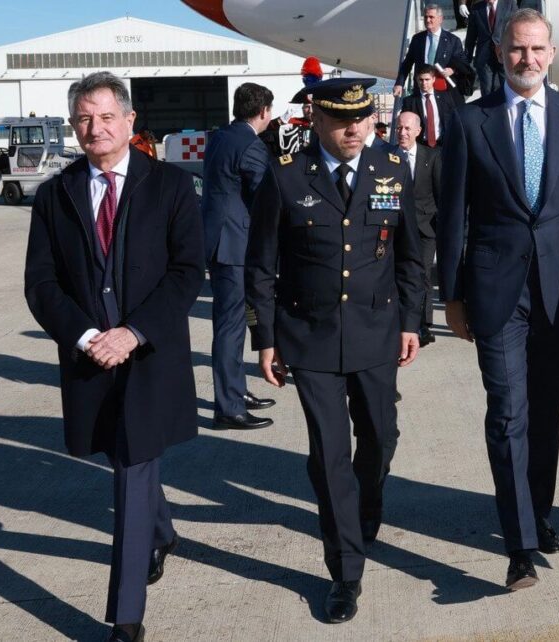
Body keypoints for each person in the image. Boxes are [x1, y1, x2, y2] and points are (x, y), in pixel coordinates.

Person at [24, 71, 204, 642]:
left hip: (149, 357)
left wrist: (133, 333)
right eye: (83, 117)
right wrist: (85, 337)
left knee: (132, 466)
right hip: (89, 360)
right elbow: (42, 284)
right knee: (128, 457)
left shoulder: (171, 186)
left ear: (130, 122)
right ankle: (162, 530)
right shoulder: (56, 194)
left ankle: (126, 617)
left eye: (105, 116)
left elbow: (186, 273)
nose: (94, 127)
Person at [245, 77, 425, 623]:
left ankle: (365, 506)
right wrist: (266, 338)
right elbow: (259, 267)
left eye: (363, 118)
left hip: (377, 333)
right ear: (316, 121)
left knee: (381, 438)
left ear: (373, 119)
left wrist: (412, 322)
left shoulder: (393, 170)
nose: (353, 128)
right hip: (311, 336)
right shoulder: (285, 179)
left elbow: (413, 255)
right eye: (341, 120)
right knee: (329, 453)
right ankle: (345, 571)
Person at [438, 10, 559, 590]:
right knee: (508, 413)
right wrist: (451, 296)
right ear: (499, 54)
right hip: (495, 292)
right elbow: (452, 215)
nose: (527, 59)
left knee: (546, 413)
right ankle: (519, 547)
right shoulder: (469, 121)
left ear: (552, 53)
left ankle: (538, 512)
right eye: (516, 49)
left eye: (537, 49)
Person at [201, 83, 277, 431]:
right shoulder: (252, 145)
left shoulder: (220, 137)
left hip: (218, 240)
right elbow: (265, 197)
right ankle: (228, 407)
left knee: (232, 323)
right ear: (263, 111)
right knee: (232, 326)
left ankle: (236, 390)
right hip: (236, 245)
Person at [395, 111, 441, 346]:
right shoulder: (388, 156)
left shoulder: (431, 157)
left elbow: (441, 194)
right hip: (395, 228)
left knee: (422, 276)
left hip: (425, 228)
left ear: (418, 131)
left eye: (407, 129)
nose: (402, 133)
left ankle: (423, 325)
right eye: (399, 128)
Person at [394, 4, 467, 99]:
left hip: (443, 92)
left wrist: (452, 70)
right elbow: (407, 63)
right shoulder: (417, 39)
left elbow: (463, 64)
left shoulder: (453, 41)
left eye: (431, 17)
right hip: (421, 90)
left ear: (440, 19)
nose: (427, 20)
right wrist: (399, 83)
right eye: (426, 17)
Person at [465, 0, 517, 96]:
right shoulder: (477, 8)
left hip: (504, 55)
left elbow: (517, 28)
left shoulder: (509, 4)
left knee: (507, 89)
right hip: (484, 57)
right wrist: (467, 59)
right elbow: (471, 36)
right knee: (487, 91)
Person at [401, 65, 455, 147]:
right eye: (421, 80)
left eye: (427, 79)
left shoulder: (446, 97)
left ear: (433, 79)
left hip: (443, 144)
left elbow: (454, 119)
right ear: (417, 79)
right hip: (421, 145)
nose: (424, 83)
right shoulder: (409, 101)